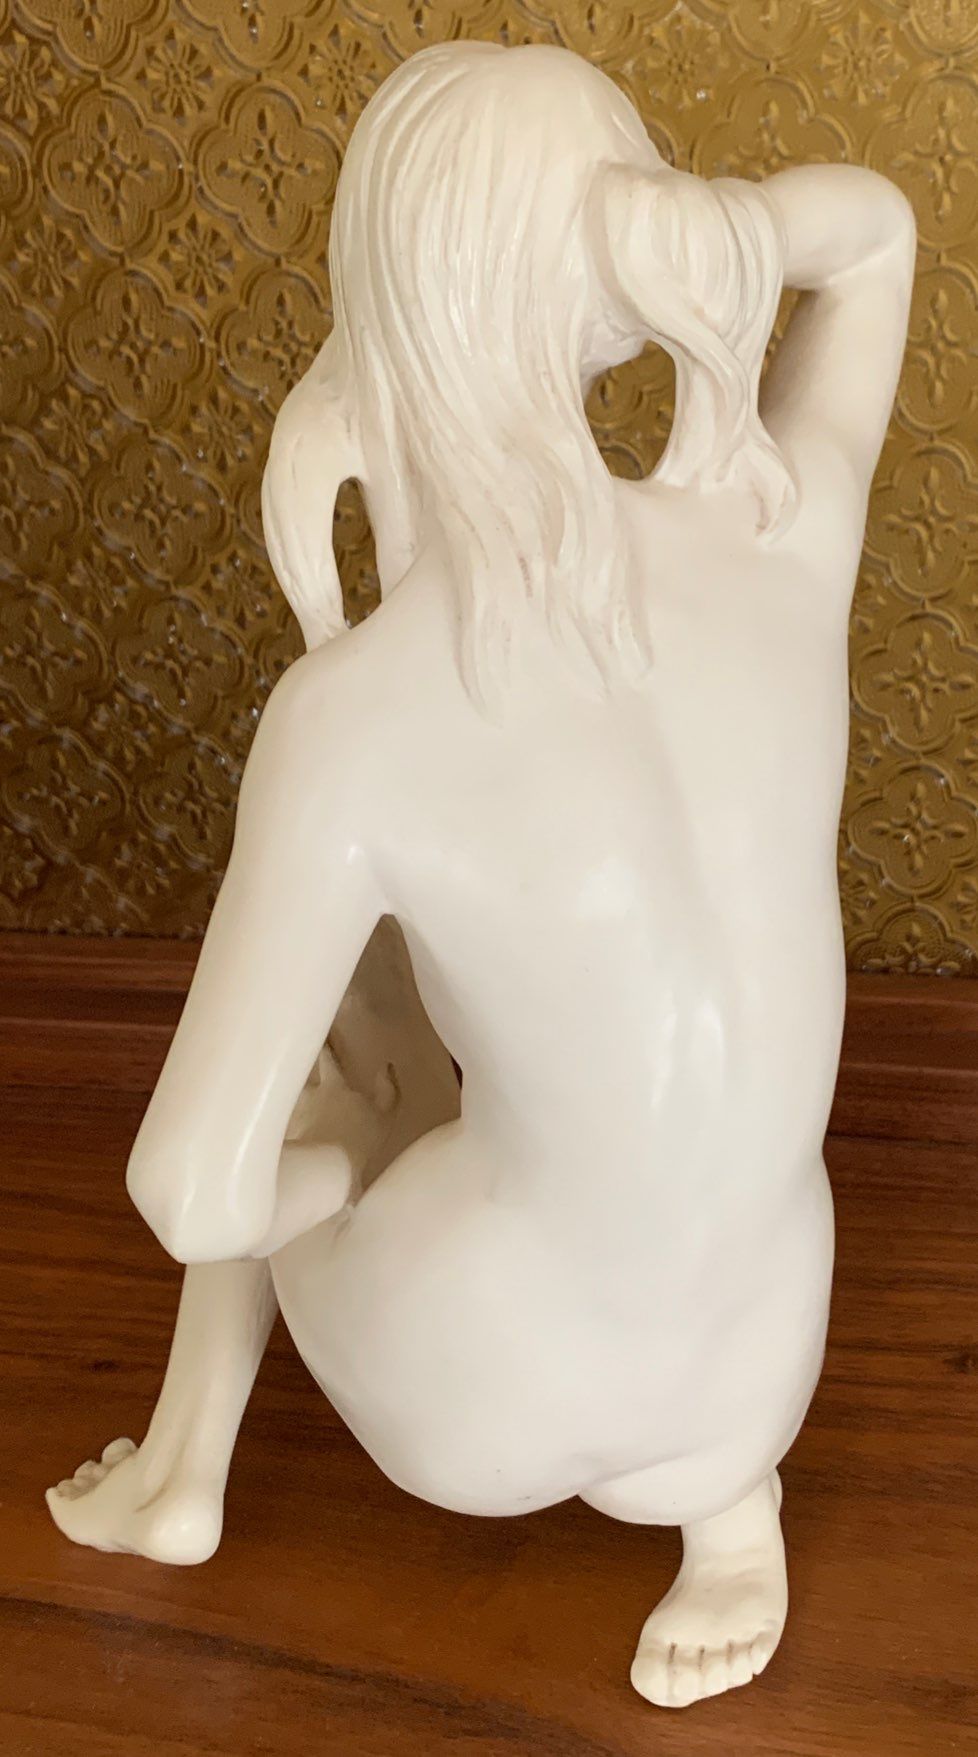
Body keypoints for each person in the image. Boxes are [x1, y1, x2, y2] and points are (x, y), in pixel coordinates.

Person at [47, 42, 915, 1710]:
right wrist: (706, 234)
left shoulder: (352, 716)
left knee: (328, 1062)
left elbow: (192, 1196)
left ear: (393, 300)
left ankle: (180, 1473)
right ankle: (728, 1515)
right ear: (625, 243)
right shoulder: (775, 530)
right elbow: (874, 232)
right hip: (762, 1339)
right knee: (611, 1120)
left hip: (483, 1393)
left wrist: (353, 1160)